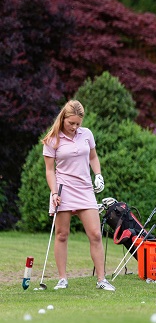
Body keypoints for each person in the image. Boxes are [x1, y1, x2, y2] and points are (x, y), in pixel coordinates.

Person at [42, 100, 116, 291]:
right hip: (63, 189)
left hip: (85, 189)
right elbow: (50, 171)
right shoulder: (52, 139)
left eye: (78, 123)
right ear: (63, 119)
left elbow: (93, 156)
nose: (75, 127)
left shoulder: (87, 134)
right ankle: (62, 279)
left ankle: (101, 280)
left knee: (95, 234)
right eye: (71, 123)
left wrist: (98, 174)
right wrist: (54, 192)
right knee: (62, 235)